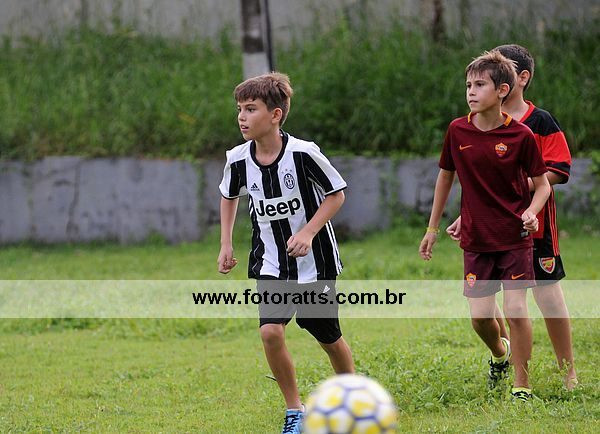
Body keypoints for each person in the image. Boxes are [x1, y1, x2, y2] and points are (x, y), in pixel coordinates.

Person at [217, 72, 354, 433]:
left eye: (251, 109)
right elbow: (228, 196)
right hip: (271, 262)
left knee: (326, 335)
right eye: (239, 109)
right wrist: (226, 243)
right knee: (270, 333)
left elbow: (336, 194)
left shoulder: (303, 154)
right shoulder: (237, 159)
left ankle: (353, 398)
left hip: (315, 262)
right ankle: (295, 410)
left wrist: (308, 232)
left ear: (275, 115)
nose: (242, 117)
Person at [419, 51, 551, 401]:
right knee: (480, 319)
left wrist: (532, 212)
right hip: (476, 240)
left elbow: (543, 186)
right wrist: (432, 229)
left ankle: (522, 385)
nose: (471, 92)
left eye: (480, 85)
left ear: (502, 90)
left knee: (516, 310)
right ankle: (500, 353)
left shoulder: (521, 135)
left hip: (515, 238)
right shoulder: (457, 130)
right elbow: (445, 178)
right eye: (468, 85)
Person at [446, 44, 577, 390]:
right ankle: (506, 358)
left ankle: (568, 372)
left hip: (535, 226)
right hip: (490, 230)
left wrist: (515, 193)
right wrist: (470, 212)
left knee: (548, 295)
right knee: (496, 301)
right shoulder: (474, 123)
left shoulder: (538, 122)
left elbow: (559, 170)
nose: (476, 88)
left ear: (519, 79)